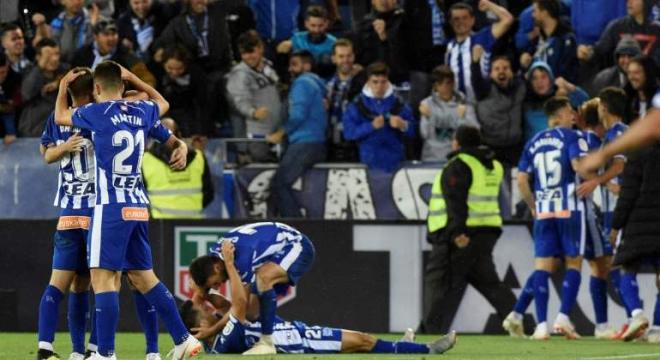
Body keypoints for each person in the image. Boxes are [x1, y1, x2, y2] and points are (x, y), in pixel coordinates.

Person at [54, 61, 202, 359]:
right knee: (144, 277)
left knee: (102, 278)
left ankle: (104, 353)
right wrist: (138, 79)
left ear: (96, 89)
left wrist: (61, 89)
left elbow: (60, 117)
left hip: (110, 207)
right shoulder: (142, 111)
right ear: (123, 86)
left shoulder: (95, 113)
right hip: (137, 205)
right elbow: (163, 102)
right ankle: (184, 339)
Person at [183, 241, 457, 355]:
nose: (210, 308)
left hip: (296, 331)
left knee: (364, 340)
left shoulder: (218, 329)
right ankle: (428, 350)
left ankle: (401, 350)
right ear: (199, 329)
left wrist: (201, 295)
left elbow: (219, 302)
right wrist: (229, 263)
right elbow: (238, 306)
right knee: (364, 340)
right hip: (300, 343)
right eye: (204, 311)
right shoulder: (223, 342)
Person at [421, 125, 515, 334]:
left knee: (438, 283)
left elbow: (456, 201)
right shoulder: (492, 165)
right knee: (488, 282)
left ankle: (429, 332)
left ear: (457, 142)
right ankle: (519, 321)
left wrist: (456, 233)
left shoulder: (460, 164)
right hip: (486, 232)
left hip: (460, 235)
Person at [514, 96, 588, 340]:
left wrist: (533, 206)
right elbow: (578, 166)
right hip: (569, 208)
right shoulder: (572, 137)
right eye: (569, 112)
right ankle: (563, 318)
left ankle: (542, 325)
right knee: (574, 262)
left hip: (544, 211)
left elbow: (522, 180)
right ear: (557, 117)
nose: (573, 115)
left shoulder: (533, 141)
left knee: (542, 268)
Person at [36, 67, 95, 360]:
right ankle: (92, 350)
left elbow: (47, 154)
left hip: (69, 214)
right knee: (99, 283)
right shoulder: (99, 114)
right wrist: (66, 147)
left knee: (72, 282)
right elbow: (47, 154)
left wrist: (62, 147)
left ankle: (67, 350)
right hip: (93, 211)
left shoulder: (59, 116)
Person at [189, 222, 316, 355]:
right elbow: (242, 311)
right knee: (252, 313)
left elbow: (239, 309)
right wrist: (199, 293)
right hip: (277, 250)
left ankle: (267, 342)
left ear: (217, 268)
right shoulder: (214, 257)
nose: (217, 286)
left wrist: (212, 330)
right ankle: (286, 332)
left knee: (264, 278)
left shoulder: (239, 261)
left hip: (298, 245)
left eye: (215, 283)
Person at [610, 144, 660, 342]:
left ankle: (637, 314)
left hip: (639, 222)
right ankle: (657, 328)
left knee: (625, 268)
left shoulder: (638, 153)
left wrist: (615, 226)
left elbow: (627, 193)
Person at [271, 51, 327, 217]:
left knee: (279, 184)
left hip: (305, 143)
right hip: (315, 142)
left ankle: (297, 228)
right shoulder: (317, 84)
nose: (290, 69)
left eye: (295, 64)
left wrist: (280, 133)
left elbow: (298, 116)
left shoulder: (302, 84)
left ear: (307, 66)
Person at [343, 62, 415, 172]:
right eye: (375, 82)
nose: (379, 86)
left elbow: (414, 131)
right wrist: (371, 126)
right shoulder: (357, 105)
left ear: (388, 81)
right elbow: (349, 133)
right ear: (368, 82)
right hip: (368, 163)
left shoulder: (400, 103)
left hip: (396, 163)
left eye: (383, 82)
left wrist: (403, 125)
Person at [225, 30, 282, 163]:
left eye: (252, 51)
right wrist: (253, 112)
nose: (248, 56)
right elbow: (239, 100)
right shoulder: (240, 74)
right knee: (262, 168)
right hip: (257, 135)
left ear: (261, 48)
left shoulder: (268, 67)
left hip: (276, 130)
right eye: (244, 53)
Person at [142, 117, 214, 219]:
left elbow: (140, 198)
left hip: (161, 227)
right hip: (193, 224)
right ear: (179, 134)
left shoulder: (145, 160)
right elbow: (209, 193)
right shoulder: (198, 156)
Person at [444, 0, 513, 103]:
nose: (460, 22)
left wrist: (489, 5)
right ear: (451, 22)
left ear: (472, 20)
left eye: (464, 18)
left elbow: (507, 19)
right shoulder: (449, 47)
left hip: (482, 103)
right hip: (458, 106)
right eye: (456, 19)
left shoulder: (481, 38)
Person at [471, 50, 526, 167]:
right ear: (490, 74)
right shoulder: (484, 90)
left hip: (515, 148)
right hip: (490, 148)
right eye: (497, 69)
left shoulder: (520, 87)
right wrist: (475, 63)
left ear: (511, 72)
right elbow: (476, 80)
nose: (502, 71)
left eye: (505, 68)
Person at [72, 18, 156, 87]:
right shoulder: (82, 54)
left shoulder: (126, 56)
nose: (111, 38)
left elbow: (148, 81)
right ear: (96, 37)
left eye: (114, 34)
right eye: (106, 34)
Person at [419, 66, 478, 161]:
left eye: (448, 83)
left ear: (454, 83)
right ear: (435, 86)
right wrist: (426, 118)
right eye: (440, 84)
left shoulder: (464, 104)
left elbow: (475, 132)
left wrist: (463, 118)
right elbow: (424, 134)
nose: (445, 87)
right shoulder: (426, 104)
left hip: (457, 158)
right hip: (431, 158)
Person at [579, 0, 660, 69]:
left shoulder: (657, 30)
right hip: (620, 81)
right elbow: (599, 51)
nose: (629, 2)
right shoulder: (617, 26)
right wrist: (587, 53)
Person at [523, 61, 588, 143]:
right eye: (534, 78)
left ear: (551, 79)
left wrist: (568, 86)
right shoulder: (525, 104)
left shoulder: (561, 99)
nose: (539, 82)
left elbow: (585, 101)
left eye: (543, 77)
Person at [325, 38, 364, 162]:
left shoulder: (365, 83)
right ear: (334, 59)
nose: (345, 60)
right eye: (341, 56)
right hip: (332, 142)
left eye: (349, 56)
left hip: (357, 143)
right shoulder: (327, 85)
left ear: (354, 57)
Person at [520, 0, 578, 83]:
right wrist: (525, 63)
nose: (533, 15)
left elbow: (565, 75)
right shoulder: (538, 39)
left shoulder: (566, 40)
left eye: (535, 11)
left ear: (545, 13)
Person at [158, 45, 209, 138]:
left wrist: (200, 131)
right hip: (165, 114)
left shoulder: (196, 75)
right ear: (163, 64)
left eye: (179, 69)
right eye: (170, 68)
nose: (174, 72)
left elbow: (202, 104)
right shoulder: (157, 73)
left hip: (190, 115)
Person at [353, 0, 409, 85]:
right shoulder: (363, 25)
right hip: (368, 79)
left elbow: (405, 57)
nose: (384, 1)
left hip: (399, 78)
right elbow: (358, 54)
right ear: (372, 1)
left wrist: (385, 38)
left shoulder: (406, 22)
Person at [18, 38, 66, 137]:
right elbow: (26, 94)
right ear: (38, 57)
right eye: (48, 55)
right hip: (33, 132)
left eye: (56, 54)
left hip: (59, 133)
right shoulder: (29, 72)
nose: (54, 59)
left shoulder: (64, 71)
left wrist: (59, 82)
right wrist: (40, 67)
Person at [277, 5, 336, 78]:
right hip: (299, 81)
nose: (316, 30)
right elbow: (282, 49)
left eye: (320, 26)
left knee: (325, 59)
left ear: (326, 23)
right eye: (313, 25)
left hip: (324, 82)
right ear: (306, 24)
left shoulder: (334, 43)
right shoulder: (297, 38)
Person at [32, 0, 95, 64]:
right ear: (62, 1)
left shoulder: (93, 20)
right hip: (64, 68)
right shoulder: (56, 23)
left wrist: (92, 27)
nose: (77, 1)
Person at [624, 55, 659, 121]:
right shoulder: (629, 101)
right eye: (629, 73)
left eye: (636, 72)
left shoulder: (657, 99)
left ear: (648, 73)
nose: (631, 77)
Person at [0, 52, 20, 145]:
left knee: (9, 114)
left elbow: (16, 102)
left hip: (8, 110)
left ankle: (11, 133)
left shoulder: (14, 77)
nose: (1, 76)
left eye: (3, 72)